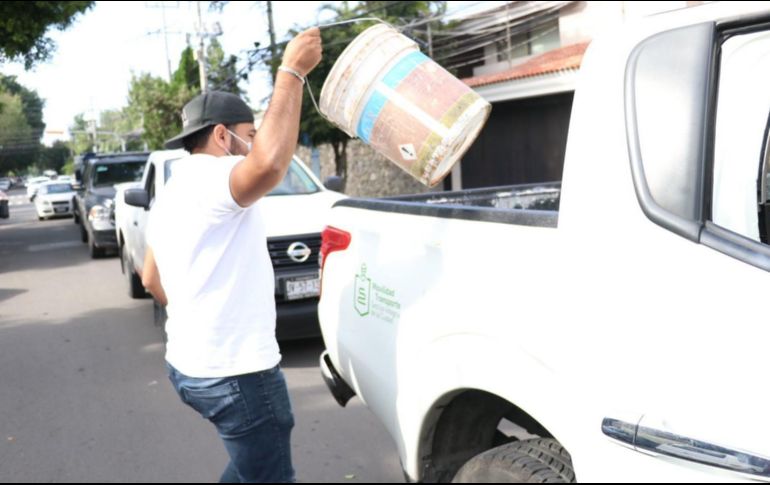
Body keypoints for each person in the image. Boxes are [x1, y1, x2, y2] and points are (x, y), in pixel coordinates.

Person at [141, 27, 322, 483]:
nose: (254, 141)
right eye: (249, 133)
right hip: (238, 376)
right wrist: (292, 72)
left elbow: (149, 278)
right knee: (269, 477)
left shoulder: (172, 191)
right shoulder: (211, 178)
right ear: (222, 136)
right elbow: (269, 165)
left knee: (252, 472)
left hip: (189, 367)